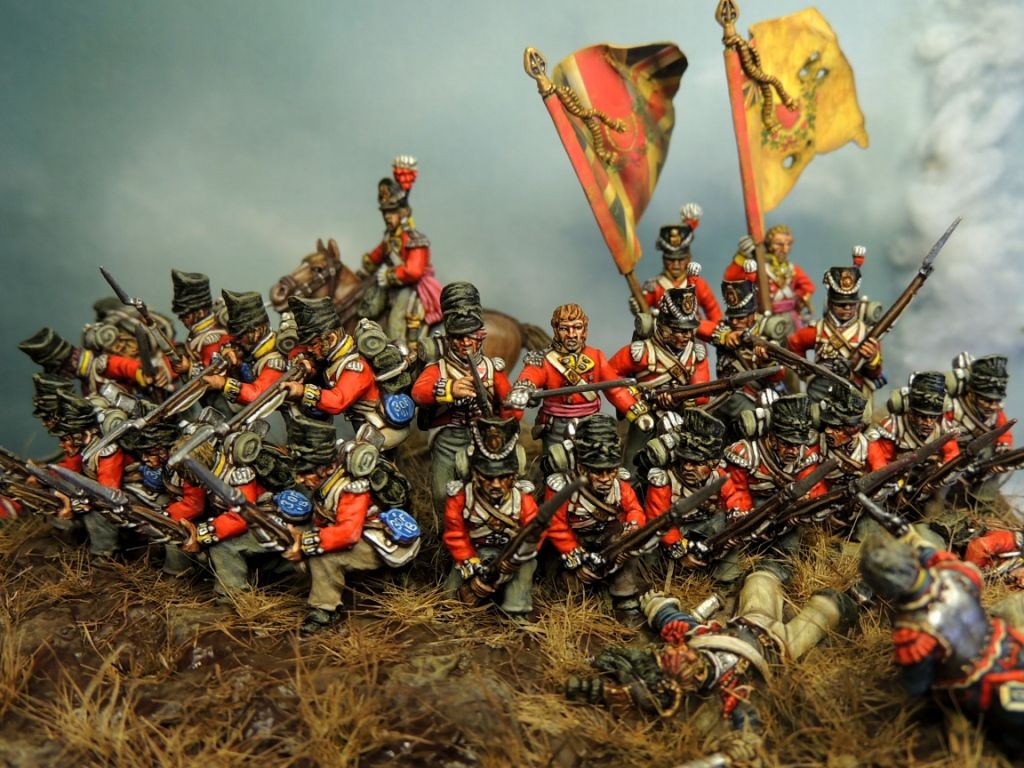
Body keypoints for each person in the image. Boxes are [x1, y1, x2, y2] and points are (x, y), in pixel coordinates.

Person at [860, 532, 1024, 752]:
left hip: (975, 682)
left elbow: (918, 685)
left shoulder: (912, 630)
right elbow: (944, 561)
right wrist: (920, 548)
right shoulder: (955, 575)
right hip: (1009, 643)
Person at [412, 282, 515, 512]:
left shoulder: (491, 368)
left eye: (471, 336)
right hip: (447, 440)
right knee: (442, 493)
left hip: (484, 440)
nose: (465, 343)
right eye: (458, 337)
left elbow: (508, 405)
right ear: (448, 338)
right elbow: (419, 392)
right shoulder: (439, 368)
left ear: (481, 336)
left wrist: (513, 410)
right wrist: (450, 389)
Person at [507, 303, 648, 453]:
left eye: (577, 327)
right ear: (556, 330)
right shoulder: (544, 359)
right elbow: (531, 375)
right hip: (557, 427)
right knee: (556, 462)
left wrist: (637, 413)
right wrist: (523, 389)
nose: (572, 334)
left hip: (591, 425)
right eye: (564, 329)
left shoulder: (596, 357)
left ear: (585, 330)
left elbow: (616, 390)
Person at [544, 415, 647, 617]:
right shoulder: (562, 488)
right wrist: (578, 558)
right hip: (571, 542)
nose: (606, 479)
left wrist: (632, 528)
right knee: (565, 581)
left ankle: (624, 595)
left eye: (611, 471)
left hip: (606, 538)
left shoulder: (619, 485)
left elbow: (634, 509)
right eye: (598, 472)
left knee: (626, 549)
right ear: (582, 468)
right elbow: (556, 526)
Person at [442, 416, 539, 616]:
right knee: (450, 598)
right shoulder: (461, 497)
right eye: (488, 477)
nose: (496, 484)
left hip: (512, 554)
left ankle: (517, 609)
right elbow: (455, 534)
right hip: (474, 552)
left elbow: (535, 533)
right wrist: (471, 564)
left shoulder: (522, 498)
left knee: (523, 575)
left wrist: (514, 558)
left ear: (514, 476)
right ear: (475, 474)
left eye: (503, 477)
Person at [610, 286, 709, 475]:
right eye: (680, 331)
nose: (687, 336)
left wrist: (680, 399)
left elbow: (702, 393)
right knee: (632, 467)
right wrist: (633, 402)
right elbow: (610, 376)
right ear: (664, 328)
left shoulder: (695, 354)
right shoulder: (642, 352)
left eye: (689, 331)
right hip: (646, 414)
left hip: (682, 417)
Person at [356, 155, 443, 352]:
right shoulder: (390, 236)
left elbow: (414, 271)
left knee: (397, 316)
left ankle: (399, 352)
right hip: (391, 284)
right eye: (385, 212)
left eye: (392, 212)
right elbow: (378, 254)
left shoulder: (415, 239)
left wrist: (389, 275)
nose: (388, 217)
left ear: (402, 213)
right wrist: (366, 268)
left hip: (413, 286)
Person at [787, 261, 884, 403]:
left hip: (854, 391)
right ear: (830, 303)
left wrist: (872, 359)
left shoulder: (865, 333)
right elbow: (795, 342)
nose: (847, 308)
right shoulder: (819, 329)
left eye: (852, 304)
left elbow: (875, 374)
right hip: (821, 390)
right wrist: (806, 372)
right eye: (841, 304)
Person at [635, 203, 721, 322]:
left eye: (680, 260)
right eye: (671, 260)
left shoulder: (699, 285)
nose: (676, 264)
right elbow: (643, 313)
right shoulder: (654, 286)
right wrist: (637, 305)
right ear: (664, 260)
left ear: (688, 259)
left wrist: (705, 328)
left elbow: (715, 316)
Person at [723, 224, 815, 328]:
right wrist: (742, 256)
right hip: (764, 317)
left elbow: (808, 287)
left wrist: (799, 300)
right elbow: (731, 278)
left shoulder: (792, 269)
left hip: (791, 317)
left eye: (788, 244)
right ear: (769, 244)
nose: (785, 249)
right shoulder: (760, 268)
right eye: (779, 244)